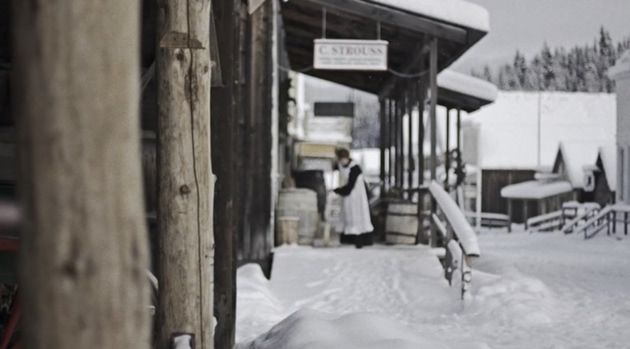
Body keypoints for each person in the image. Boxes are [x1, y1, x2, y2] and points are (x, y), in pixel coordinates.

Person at [332, 148, 374, 248]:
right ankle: (348, 239)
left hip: (356, 197)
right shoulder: (343, 166)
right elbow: (337, 168)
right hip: (348, 198)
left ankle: (360, 241)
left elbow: (350, 187)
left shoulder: (355, 168)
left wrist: (337, 190)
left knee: (358, 217)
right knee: (348, 216)